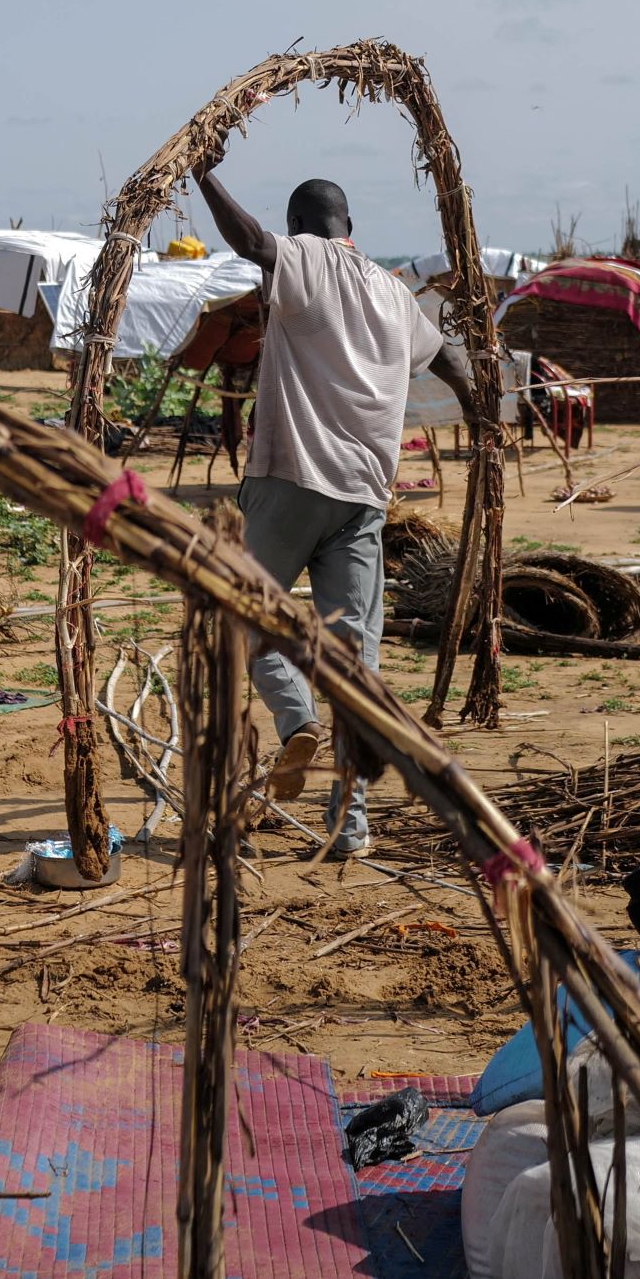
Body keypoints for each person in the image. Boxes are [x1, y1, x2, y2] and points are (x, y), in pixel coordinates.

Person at [194, 163, 478, 859]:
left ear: (304, 228)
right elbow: (454, 362)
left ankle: (296, 720)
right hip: (364, 497)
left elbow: (253, 242)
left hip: (291, 480)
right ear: (350, 226)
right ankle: (349, 828)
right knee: (356, 664)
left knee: (240, 611)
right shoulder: (392, 290)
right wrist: (482, 421)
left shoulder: (306, 260)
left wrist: (205, 178)